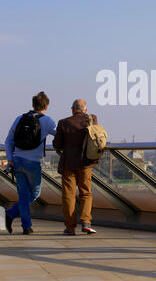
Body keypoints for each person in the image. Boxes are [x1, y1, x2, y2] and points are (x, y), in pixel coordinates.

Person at [4, 92, 56, 235]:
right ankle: (12, 213)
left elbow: (8, 140)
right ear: (46, 106)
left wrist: (10, 159)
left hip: (17, 161)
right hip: (33, 162)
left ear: (33, 104)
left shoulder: (19, 118)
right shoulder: (48, 121)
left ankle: (26, 227)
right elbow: (60, 135)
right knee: (35, 193)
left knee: (23, 194)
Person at [53, 99, 98, 235]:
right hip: (86, 162)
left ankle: (70, 227)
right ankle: (86, 222)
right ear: (85, 109)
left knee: (69, 195)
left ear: (72, 109)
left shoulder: (64, 123)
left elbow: (57, 144)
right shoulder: (92, 119)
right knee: (85, 192)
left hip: (68, 163)